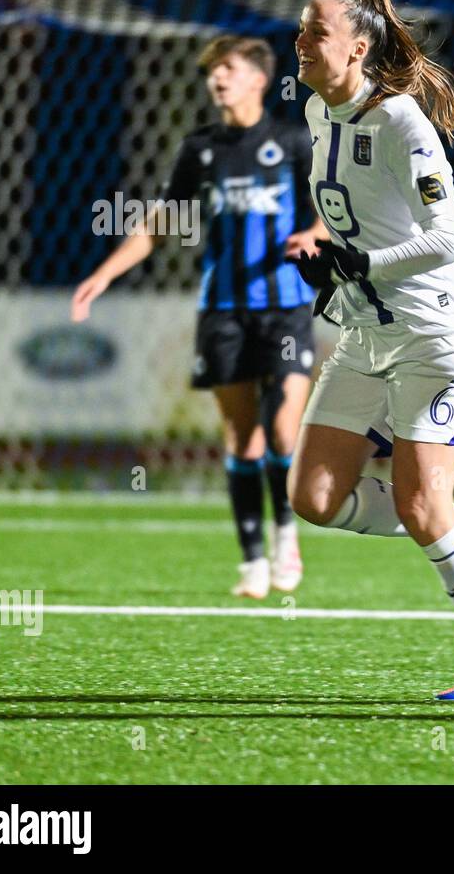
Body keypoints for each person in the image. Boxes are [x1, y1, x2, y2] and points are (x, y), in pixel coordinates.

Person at [285, 0, 454, 702]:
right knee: (313, 495)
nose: (300, 43)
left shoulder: (402, 123)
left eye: (314, 32)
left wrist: (366, 261)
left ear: (358, 48)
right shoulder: (316, 108)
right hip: (365, 332)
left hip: (432, 335)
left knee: (423, 507)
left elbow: (449, 237)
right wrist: (328, 250)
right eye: (302, 31)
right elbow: (353, 206)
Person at [72, 35, 326, 598]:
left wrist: (313, 234)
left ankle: (288, 535)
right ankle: (253, 559)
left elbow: (328, 212)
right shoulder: (201, 149)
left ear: (259, 79)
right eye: (213, 71)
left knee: (284, 429)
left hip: (284, 307)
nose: (218, 79)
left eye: (228, 69)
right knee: (241, 438)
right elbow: (160, 222)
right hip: (223, 310)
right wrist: (106, 273)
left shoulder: (290, 141)